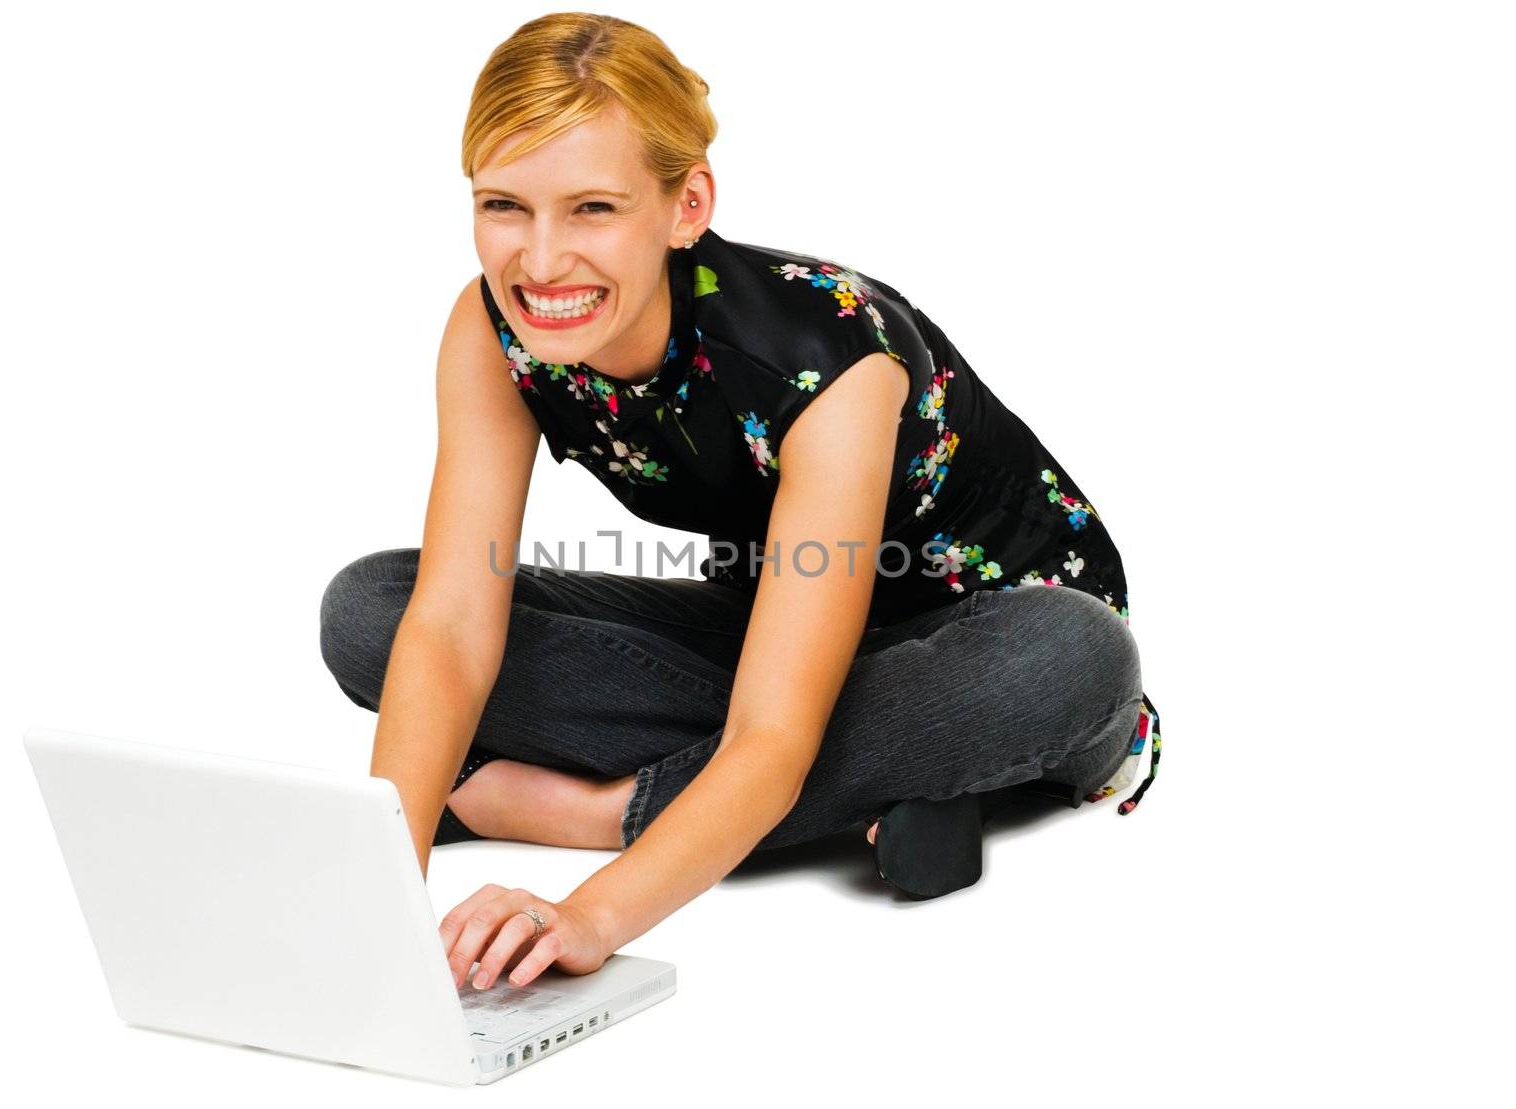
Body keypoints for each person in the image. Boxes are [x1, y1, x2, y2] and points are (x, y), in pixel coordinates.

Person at [319, 13, 1162, 995]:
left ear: (686, 207)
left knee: (1070, 653)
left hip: (988, 634)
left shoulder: (827, 362)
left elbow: (772, 731)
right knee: (371, 609)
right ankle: (880, 788)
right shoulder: (488, 327)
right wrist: (369, 890)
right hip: (779, 633)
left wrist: (590, 903)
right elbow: (455, 624)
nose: (541, 262)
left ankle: (619, 803)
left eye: (592, 208)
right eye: (505, 206)